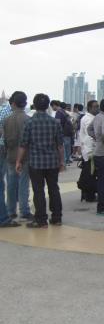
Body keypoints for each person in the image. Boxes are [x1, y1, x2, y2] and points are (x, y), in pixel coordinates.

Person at [17, 93, 64, 228]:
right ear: (48, 105)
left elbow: (23, 145)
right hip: (52, 162)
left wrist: (19, 161)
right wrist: (61, 161)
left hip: (36, 163)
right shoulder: (55, 122)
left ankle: (41, 220)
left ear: (35, 105)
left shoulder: (29, 122)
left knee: (38, 191)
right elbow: (60, 145)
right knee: (54, 189)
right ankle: (57, 218)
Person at [4, 91, 33, 220]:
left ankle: (10, 210)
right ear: (25, 104)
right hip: (25, 156)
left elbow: (5, 140)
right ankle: (24, 211)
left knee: (11, 184)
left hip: (10, 155)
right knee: (23, 184)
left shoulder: (6, 120)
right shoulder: (28, 119)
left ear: (13, 103)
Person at [0, 93, 21, 228]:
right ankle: (5, 216)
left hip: (4, 147)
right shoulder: (8, 112)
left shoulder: (4, 110)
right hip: (4, 148)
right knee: (6, 181)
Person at [77, 99, 99, 202]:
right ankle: (89, 195)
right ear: (89, 108)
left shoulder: (89, 118)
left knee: (89, 173)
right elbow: (90, 136)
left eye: (98, 106)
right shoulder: (88, 119)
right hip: (90, 151)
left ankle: (88, 194)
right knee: (91, 174)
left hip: (88, 150)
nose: (97, 108)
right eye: (95, 106)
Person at [51, 100, 73, 165]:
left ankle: (64, 161)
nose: (52, 108)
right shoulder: (64, 111)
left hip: (63, 132)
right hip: (68, 132)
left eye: (52, 106)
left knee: (63, 147)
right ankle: (67, 160)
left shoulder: (58, 112)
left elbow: (58, 123)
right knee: (67, 146)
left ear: (54, 105)